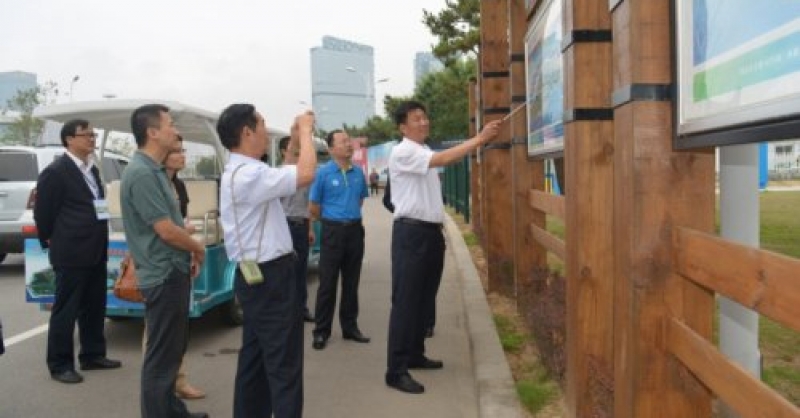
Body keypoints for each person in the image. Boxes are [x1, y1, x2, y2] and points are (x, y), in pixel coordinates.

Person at [385, 101, 501, 394]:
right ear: (403, 127)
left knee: (423, 300)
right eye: (416, 119)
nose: (424, 122)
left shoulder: (422, 151)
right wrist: (480, 138)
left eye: (425, 117)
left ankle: (414, 353)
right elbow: (444, 159)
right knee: (406, 302)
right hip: (411, 235)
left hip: (429, 234)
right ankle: (395, 370)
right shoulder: (403, 151)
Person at [218, 104, 316, 418]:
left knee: (256, 359)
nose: (265, 128)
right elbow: (305, 173)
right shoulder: (250, 174)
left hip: (257, 277)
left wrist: (295, 143)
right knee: (284, 365)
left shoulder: (242, 171)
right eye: (261, 123)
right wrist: (305, 131)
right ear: (247, 132)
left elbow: (282, 176)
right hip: (271, 277)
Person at [121, 104, 207, 418]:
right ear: (153, 132)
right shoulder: (142, 172)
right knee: (160, 360)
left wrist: (185, 244)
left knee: (171, 354)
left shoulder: (154, 170)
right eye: (170, 125)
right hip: (163, 273)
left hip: (173, 270)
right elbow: (166, 231)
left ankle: (173, 411)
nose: (176, 131)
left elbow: (169, 225)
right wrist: (199, 248)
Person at [34, 119, 122, 384]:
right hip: (71, 251)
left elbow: (98, 205)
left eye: (93, 135)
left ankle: (93, 355)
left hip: (95, 248)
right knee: (66, 310)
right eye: (86, 135)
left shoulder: (91, 170)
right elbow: (43, 213)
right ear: (69, 140)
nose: (92, 140)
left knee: (95, 306)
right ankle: (60, 364)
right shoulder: (56, 171)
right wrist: (50, 238)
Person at [139, 135, 206, 401]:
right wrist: (192, 242)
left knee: (176, 331)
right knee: (158, 334)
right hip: (160, 266)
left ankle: (175, 382)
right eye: (176, 151)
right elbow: (162, 229)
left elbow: (180, 222)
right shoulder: (148, 180)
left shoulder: (177, 185)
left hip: (178, 259)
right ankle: (166, 387)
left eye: (183, 150)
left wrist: (188, 245)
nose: (182, 155)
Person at [309, 129, 370, 350]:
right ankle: (321, 331)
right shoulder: (323, 173)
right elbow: (313, 207)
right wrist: (333, 220)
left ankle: (350, 327)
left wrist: (348, 216)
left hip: (355, 231)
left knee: (351, 283)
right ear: (331, 148)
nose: (348, 144)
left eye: (349, 141)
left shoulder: (358, 173)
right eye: (343, 141)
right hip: (332, 231)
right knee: (327, 283)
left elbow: (360, 200)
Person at [279, 135, 315, 323]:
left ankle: (302, 308)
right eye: (294, 150)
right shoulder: (278, 175)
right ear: (284, 152)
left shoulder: (304, 176)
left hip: (301, 226)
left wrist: (310, 230)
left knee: (301, 270)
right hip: (284, 226)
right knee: (285, 272)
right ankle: (286, 311)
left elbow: (308, 204)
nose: (299, 153)